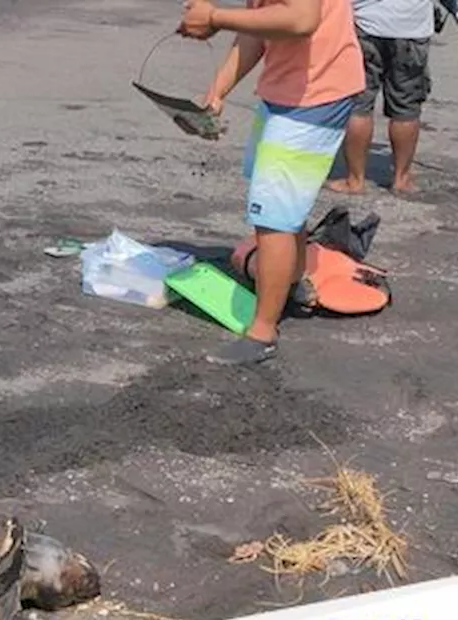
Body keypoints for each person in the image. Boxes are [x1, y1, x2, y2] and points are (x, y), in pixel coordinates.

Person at [177, 0, 366, 365]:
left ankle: (263, 332)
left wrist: (215, 17)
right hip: (283, 91)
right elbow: (257, 28)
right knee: (283, 206)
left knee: (273, 216)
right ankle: (291, 283)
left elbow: (300, 18)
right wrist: (217, 91)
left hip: (316, 95)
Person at [326, 0, 435, 195]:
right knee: (406, 107)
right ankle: (401, 178)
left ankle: (355, 179)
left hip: (365, 23)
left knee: (358, 103)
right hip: (411, 26)